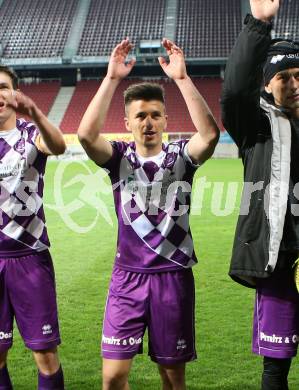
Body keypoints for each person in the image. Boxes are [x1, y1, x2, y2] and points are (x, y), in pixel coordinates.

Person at [78, 38, 219, 390]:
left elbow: (210, 135)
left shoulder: (181, 157)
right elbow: (84, 135)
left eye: (156, 115)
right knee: (112, 379)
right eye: (140, 116)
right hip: (126, 279)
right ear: (127, 122)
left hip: (172, 277)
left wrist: (183, 79)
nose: (148, 122)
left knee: (172, 380)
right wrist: (111, 79)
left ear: (166, 120)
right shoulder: (119, 158)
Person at [221, 0, 299, 388]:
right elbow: (235, 91)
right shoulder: (257, 125)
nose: (295, 84)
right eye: (285, 76)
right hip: (280, 264)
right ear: (267, 82)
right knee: (276, 368)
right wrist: (259, 25)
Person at [0, 66, 66, 389]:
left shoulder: (29, 135)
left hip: (30, 258)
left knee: (45, 354)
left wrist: (37, 114)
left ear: (15, 93)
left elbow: (58, 146)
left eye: (3, 87)